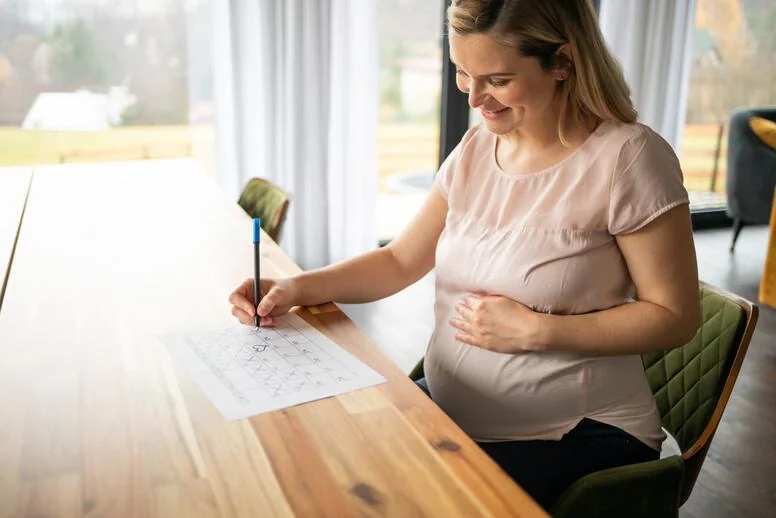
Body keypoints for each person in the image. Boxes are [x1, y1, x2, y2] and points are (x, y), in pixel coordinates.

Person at [229, 0, 700, 510]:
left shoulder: (627, 158)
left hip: (575, 436)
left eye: (496, 79)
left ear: (563, 61)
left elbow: (675, 318)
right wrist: (297, 287)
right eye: (462, 73)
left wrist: (540, 331)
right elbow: (401, 260)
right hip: (455, 412)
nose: (475, 98)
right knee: (318, 464)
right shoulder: (477, 148)